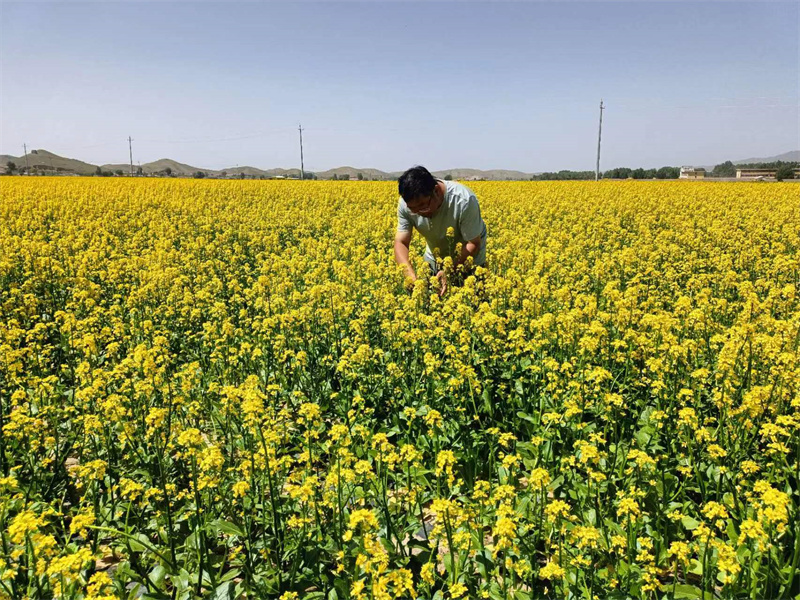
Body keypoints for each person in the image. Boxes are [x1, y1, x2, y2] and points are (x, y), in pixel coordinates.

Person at [394, 165, 487, 295]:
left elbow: (473, 243)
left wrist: (449, 271)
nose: (419, 213)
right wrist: (411, 277)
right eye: (413, 210)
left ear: (436, 191)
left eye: (423, 207)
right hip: (434, 260)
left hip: (469, 260)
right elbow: (401, 242)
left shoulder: (464, 200)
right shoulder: (408, 204)